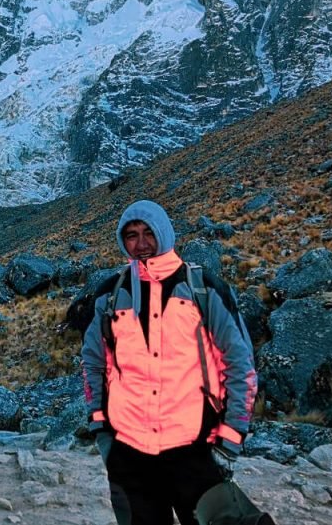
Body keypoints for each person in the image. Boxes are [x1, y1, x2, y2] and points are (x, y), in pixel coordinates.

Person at [81, 200, 263, 525]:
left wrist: (230, 438)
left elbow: (240, 364)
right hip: (129, 452)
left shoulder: (203, 289)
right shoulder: (110, 294)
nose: (141, 244)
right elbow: (94, 362)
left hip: (194, 448)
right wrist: (101, 431)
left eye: (149, 233)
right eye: (132, 235)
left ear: (165, 233)